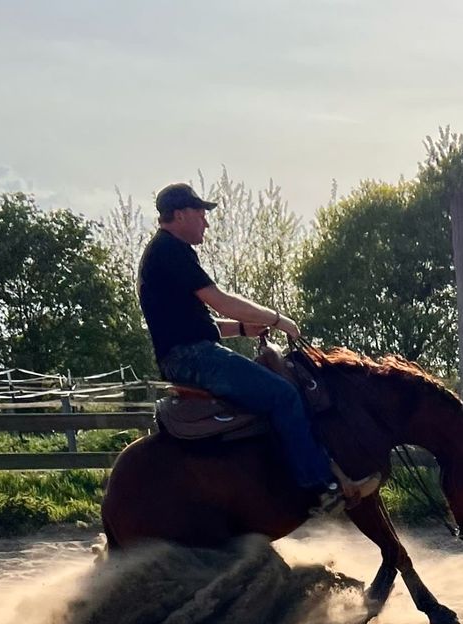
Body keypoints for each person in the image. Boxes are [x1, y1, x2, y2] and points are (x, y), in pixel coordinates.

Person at [137, 182, 377, 514]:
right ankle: (323, 487)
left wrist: (241, 329)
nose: (206, 222)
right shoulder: (170, 251)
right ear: (180, 214)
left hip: (188, 353)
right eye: (201, 214)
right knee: (283, 395)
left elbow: (192, 323)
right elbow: (220, 301)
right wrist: (278, 319)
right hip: (193, 358)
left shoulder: (164, 253)